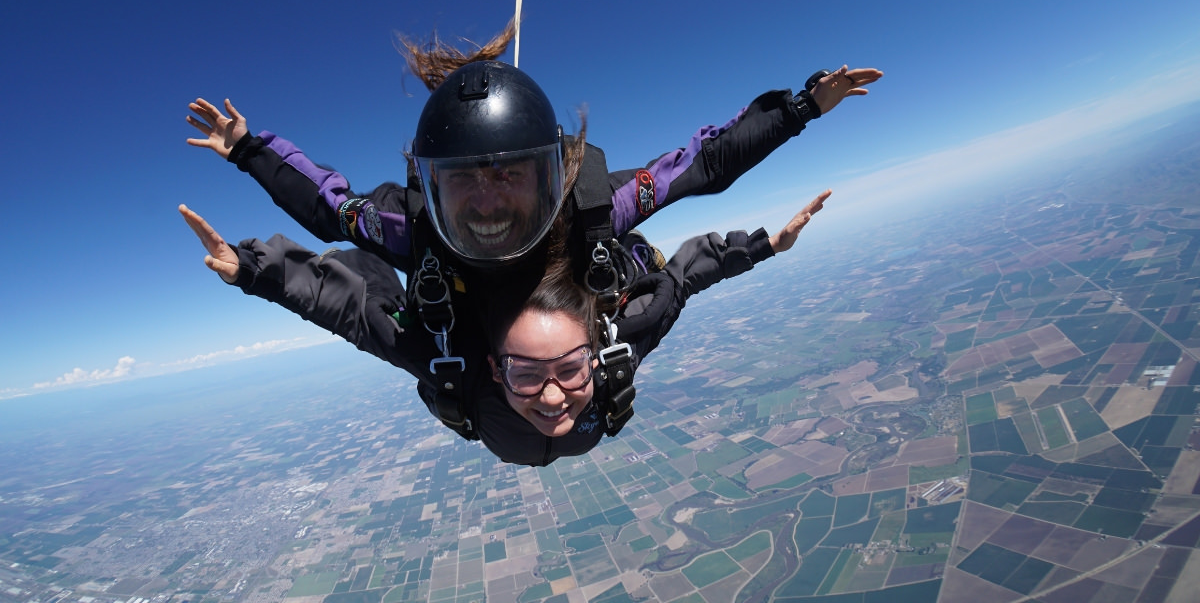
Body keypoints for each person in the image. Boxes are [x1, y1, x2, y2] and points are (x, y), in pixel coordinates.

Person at [186, 28, 878, 435]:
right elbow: (331, 215)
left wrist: (799, 108)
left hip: (555, 345)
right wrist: (250, 161)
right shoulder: (417, 231)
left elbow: (701, 167)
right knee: (374, 292)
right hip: (477, 365)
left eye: (509, 175)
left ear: (550, 172)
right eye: (465, 182)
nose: (489, 202)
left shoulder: (592, 209)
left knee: (630, 275)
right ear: (434, 186)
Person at [179, 191, 830, 466]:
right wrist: (254, 269)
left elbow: (685, 273)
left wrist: (765, 244)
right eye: (528, 372)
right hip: (513, 436)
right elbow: (345, 308)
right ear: (495, 366)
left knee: (639, 269)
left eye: (569, 368)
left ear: (590, 353)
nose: (553, 395)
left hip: (548, 435)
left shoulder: (618, 338)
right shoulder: (448, 360)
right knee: (379, 288)